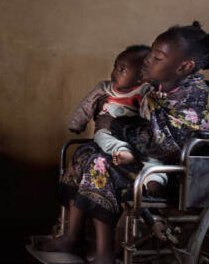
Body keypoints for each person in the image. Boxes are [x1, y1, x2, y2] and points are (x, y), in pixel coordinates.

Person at [40, 22, 209, 264]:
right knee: (85, 152)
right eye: (151, 53)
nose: (146, 59)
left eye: (157, 57)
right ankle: (73, 237)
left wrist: (113, 126)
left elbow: (165, 146)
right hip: (146, 159)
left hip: (176, 169)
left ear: (184, 67)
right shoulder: (159, 88)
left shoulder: (194, 98)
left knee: (100, 164)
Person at [67, 45, 164, 194]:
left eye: (122, 69)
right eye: (115, 67)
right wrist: (77, 123)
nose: (115, 72)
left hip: (136, 136)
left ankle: (155, 180)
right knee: (101, 135)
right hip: (110, 134)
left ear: (140, 76)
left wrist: (156, 97)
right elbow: (87, 104)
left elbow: (149, 114)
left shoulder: (145, 90)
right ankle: (123, 152)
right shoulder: (104, 87)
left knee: (151, 157)